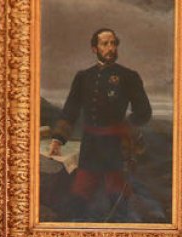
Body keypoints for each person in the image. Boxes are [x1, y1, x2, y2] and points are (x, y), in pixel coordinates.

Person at [48, 28, 152, 222]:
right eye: (105, 44)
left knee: (117, 194)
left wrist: (127, 127)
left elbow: (144, 111)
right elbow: (70, 109)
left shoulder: (129, 76)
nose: (111, 48)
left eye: (114, 43)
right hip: (90, 146)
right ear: (94, 48)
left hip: (116, 145)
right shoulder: (83, 77)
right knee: (81, 191)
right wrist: (58, 139)